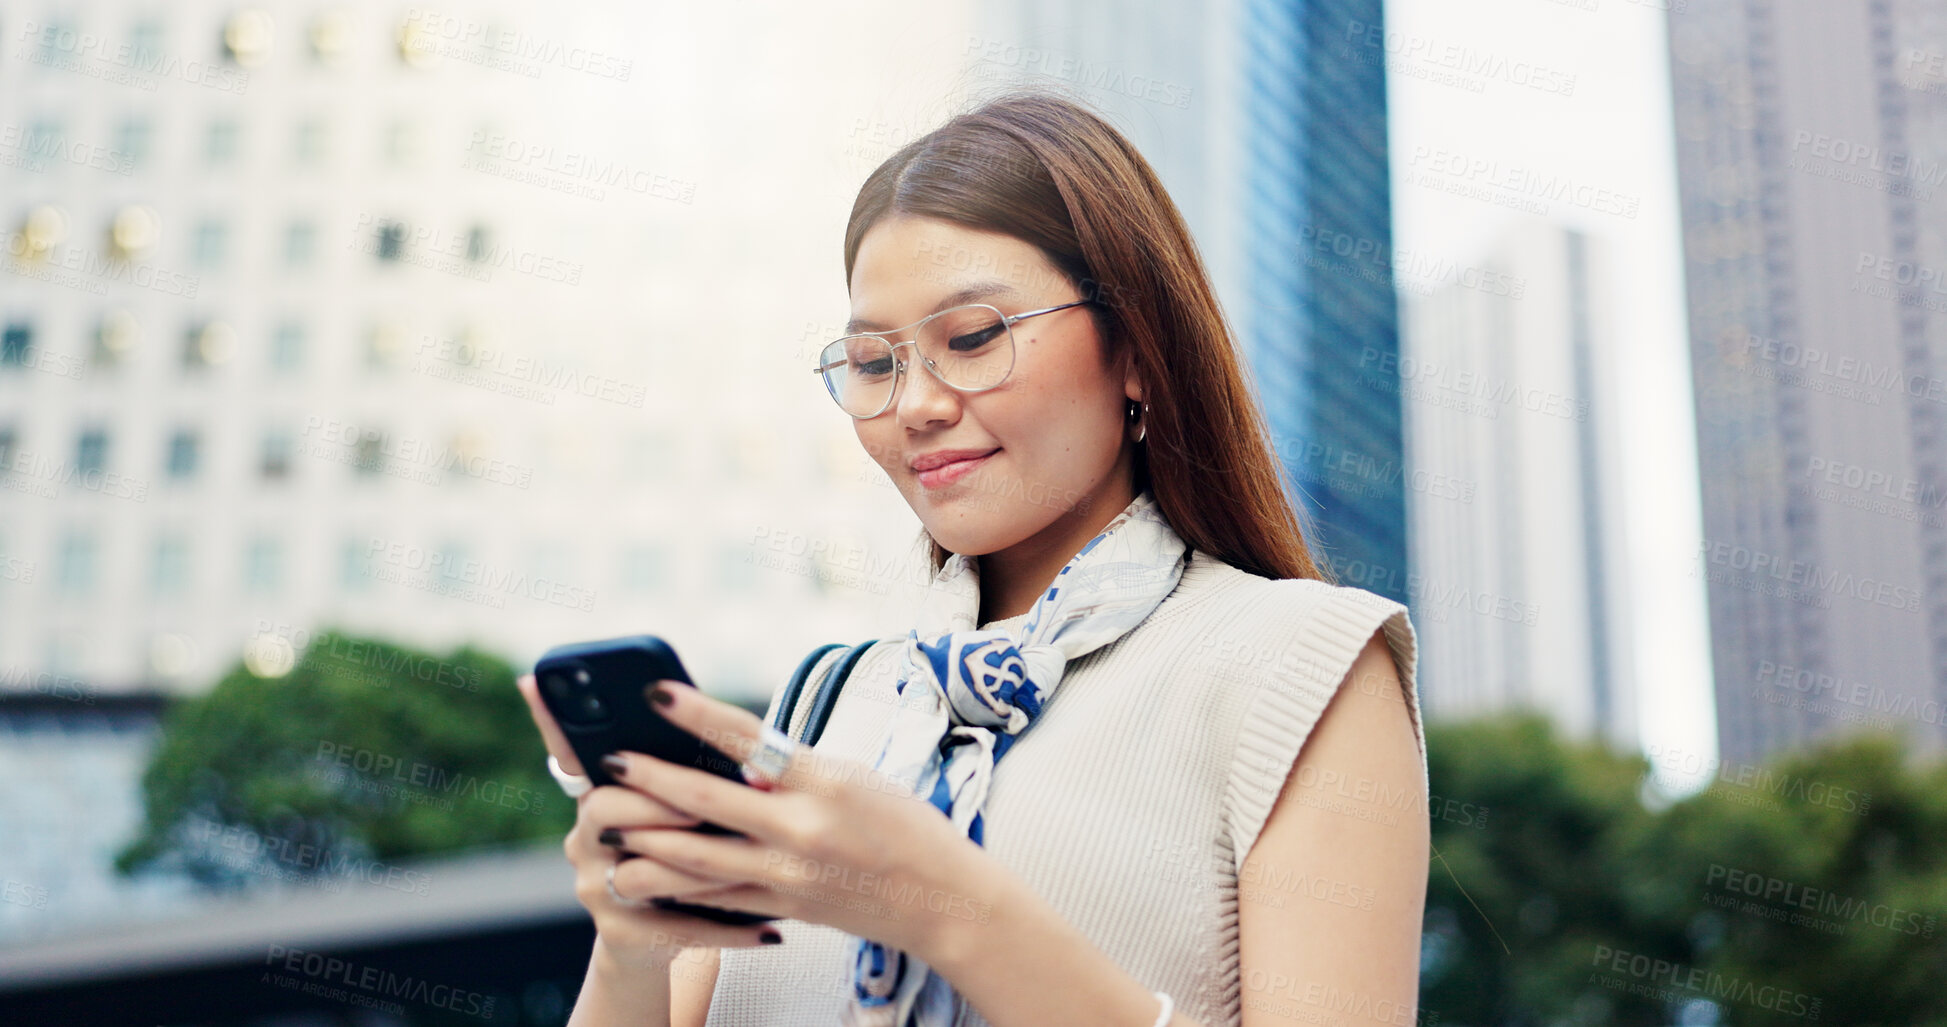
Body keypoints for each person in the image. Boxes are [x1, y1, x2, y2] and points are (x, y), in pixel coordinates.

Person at [519, 89, 1429, 1027]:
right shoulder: (825, 707)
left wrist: (940, 904)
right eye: (874, 363)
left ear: (1136, 350)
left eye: (973, 337)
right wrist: (632, 940)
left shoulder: (1301, 664)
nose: (915, 403)